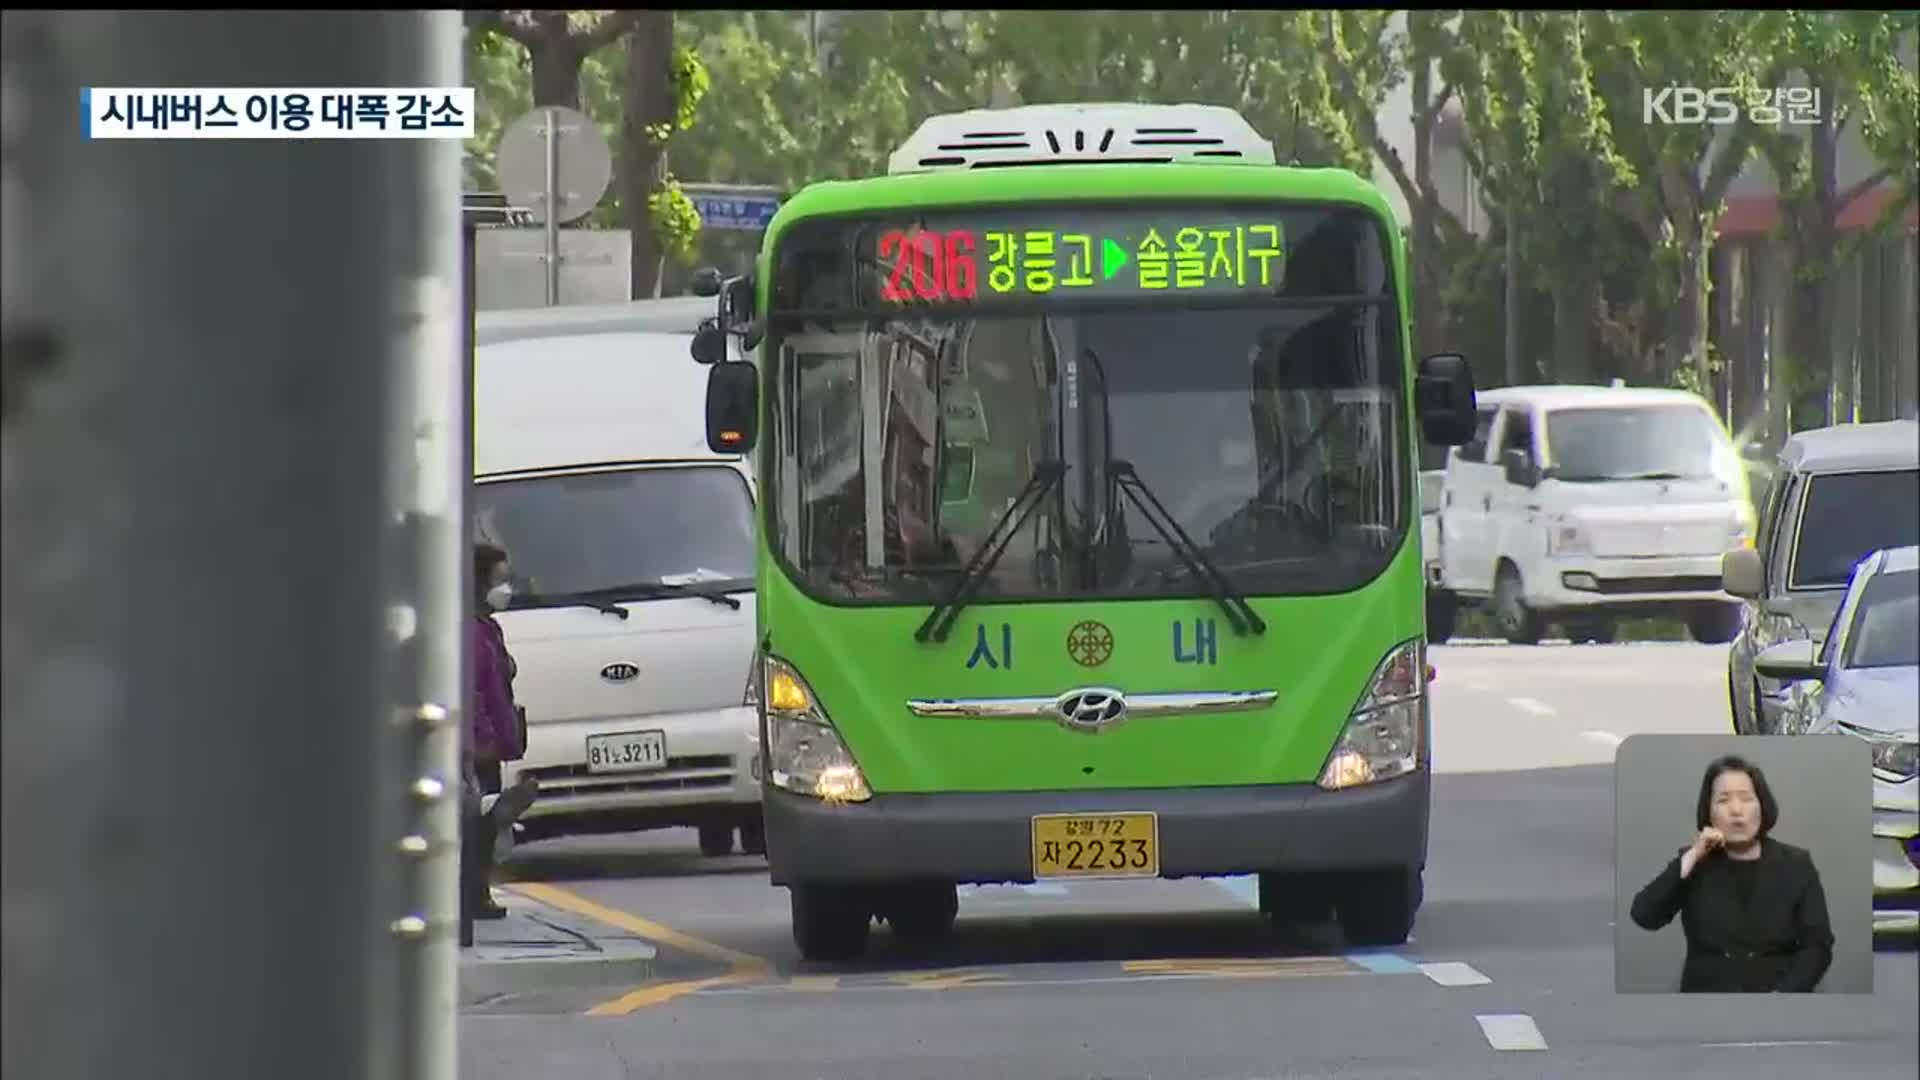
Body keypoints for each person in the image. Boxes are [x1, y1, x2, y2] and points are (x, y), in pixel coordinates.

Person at [1628, 754, 1834, 992]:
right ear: (1709, 812)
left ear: (1762, 805)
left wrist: (1783, 997)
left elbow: (1818, 946)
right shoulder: (1694, 862)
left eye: (1746, 799)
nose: (1736, 810)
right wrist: (1693, 856)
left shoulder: (1796, 864)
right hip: (1707, 1005)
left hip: (1777, 1002)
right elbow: (1644, 915)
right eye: (1723, 800)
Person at [463, 542, 537, 927]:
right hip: (479, 746)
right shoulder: (470, 633)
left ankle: (479, 891)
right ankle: (473, 895)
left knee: (487, 822)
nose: (505, 588)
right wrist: (483, 737)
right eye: (498, 579)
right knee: (478, 822)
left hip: (491, 742)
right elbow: (472, 690)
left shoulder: (488, 627)